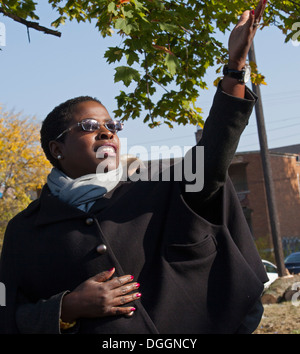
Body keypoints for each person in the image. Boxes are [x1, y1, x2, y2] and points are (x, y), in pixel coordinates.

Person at [0, 0, 269, 334]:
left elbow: (212, 154)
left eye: (113, 126)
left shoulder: (160, 187)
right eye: (89, 126)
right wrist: (64, 308)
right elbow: (6, 312)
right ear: (57, 149)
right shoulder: (24, 231)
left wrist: (235, 65)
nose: (107, 131)